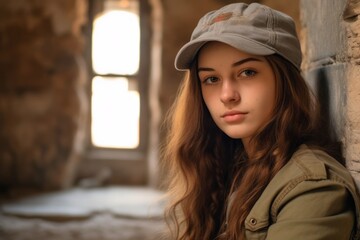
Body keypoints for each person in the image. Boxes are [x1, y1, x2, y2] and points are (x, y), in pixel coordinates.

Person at [161, 2, 360, 240]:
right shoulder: (220, 163)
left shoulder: (312, 188)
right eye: (211, 79)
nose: (227, 95)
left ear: (284, 79)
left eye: (247, 72)